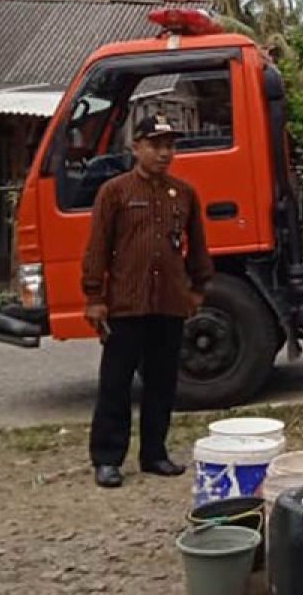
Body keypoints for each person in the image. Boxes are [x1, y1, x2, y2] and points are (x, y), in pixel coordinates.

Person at [82, 114, 213, 488]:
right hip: (126, 305)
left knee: (162, 383)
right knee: (116, 383)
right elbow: (97, 248)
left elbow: (198, 248)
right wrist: (94, 296)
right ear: (135, 147)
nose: (164, 153)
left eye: (170, 146)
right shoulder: (115, 192)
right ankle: (107, 459)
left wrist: (198, 289)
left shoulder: (184, 193)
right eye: (155, 145)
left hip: (169, 304)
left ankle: (154, 454)